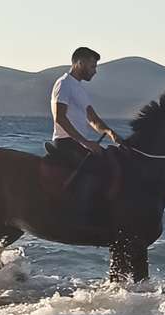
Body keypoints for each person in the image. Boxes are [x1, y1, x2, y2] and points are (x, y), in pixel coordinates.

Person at [47, 47, 121, 220]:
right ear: (79, 63)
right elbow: (60, 117)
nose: (94, 72)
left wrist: (110, 132)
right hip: (66, 142)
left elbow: (93, 119)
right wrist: (85, 142)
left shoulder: (79, 89)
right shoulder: (64, 84)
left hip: (78, 142)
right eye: (92, 66)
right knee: (97, 170)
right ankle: (78, 215)